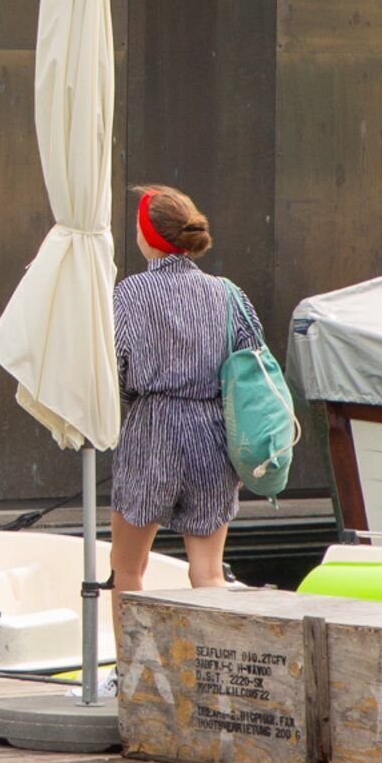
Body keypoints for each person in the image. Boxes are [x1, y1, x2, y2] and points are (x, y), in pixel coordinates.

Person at [104, 185, 263, 596]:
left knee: (128, 571)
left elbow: (115, 371)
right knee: (208, 574)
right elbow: (253, 372)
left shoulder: (129, 294)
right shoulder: (229, 294)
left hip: (151, 430)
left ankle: (131, 663)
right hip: (213, 432)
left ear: (147, 237)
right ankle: (207, 662)